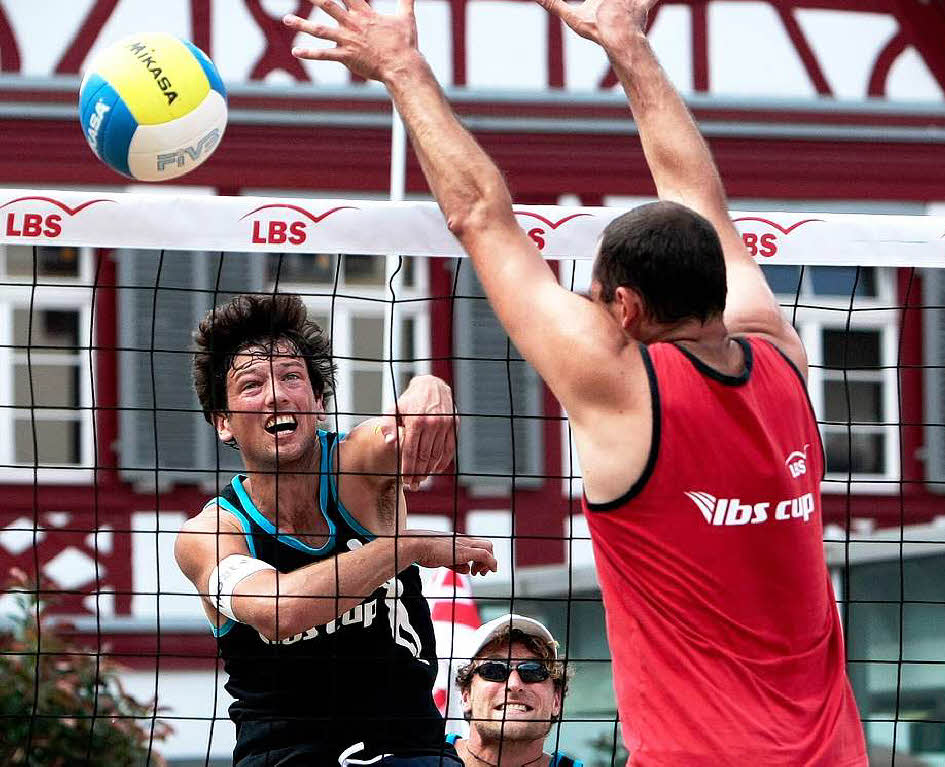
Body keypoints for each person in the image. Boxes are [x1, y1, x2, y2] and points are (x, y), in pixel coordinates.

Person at [285, 0, 867, 764]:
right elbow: (699, 197)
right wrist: (626, 40)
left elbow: (479, 215)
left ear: (624, 307)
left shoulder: (627, 390)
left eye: (597, 299)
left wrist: (401, 66)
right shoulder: (781, 357)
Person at [174, 293, 499, 766]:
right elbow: (277, 610)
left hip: (406, 750)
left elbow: (396, 432)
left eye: (291, 377)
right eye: (251, 385)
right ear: (223, 423)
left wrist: (430, 390)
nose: (276, 394)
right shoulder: (210, 532)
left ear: (319, 403)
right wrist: (405, 548)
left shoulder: (356, 470)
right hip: (288, 756)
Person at [446, 614, 582, 767]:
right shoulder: (422, 758)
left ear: (556, 701)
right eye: (494, 670)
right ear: (466, 697)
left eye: (533, 671)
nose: (514, 684)